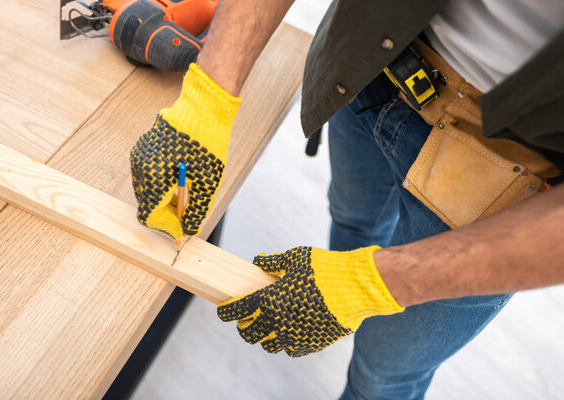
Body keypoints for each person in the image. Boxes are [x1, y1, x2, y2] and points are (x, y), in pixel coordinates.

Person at [130, 0, 564, 398]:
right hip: (372, 66)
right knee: (353, 218)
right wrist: (208, 99)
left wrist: (368, 285)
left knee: (383, 373)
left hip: (503, 172)